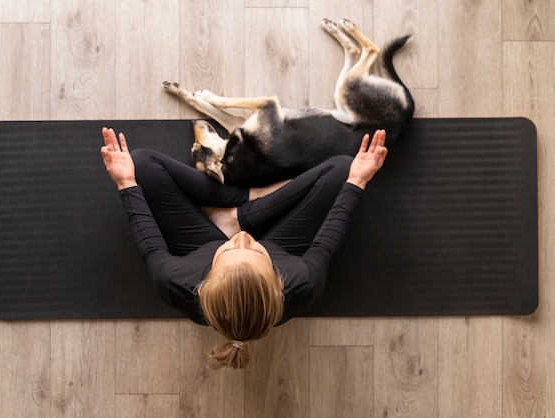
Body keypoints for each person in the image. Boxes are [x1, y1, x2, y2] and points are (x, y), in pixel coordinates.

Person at [101, 127, 387, 370]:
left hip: (201, 244)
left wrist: (125, 182)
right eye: (253, 249)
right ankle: (240, 213)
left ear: (204, 283)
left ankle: (235, 212)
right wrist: (358, 180)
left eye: (228, 250)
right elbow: (328, 237)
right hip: (279, 244)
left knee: (140, 164)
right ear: (278, 281)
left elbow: (149, 240)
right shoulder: (303, 282)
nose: (243, 239)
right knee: (342, 169)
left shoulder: (174, 281)